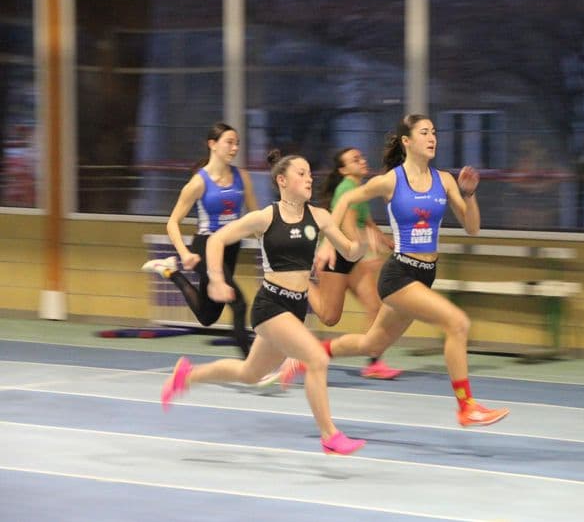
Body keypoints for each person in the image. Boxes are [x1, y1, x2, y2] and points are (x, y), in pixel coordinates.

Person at [283, 114, 509, 427]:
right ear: (407, 141)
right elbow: (347, 197)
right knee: (457, 323)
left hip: (425, 274)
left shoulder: (443, 180)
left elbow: (472, 228)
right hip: (400, 274)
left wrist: (469, 195)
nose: (432, 138)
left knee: (372, 345)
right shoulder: (392, 180)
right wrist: (327, 241)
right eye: (424, 132)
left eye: (434, 132)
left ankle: (311, 353)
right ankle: (466, 406)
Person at [160, 149, 368, 455]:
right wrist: (216, 279)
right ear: (282, 180)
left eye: (311, 173)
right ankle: (330, 435)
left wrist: (361, 243)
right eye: (301, 173)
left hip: (296, 307)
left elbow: (349, 253)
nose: (309, 178)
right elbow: (217, 240)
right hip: (271, 305)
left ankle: (187, 376)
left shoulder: (320, 217)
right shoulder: (265, 217)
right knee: (317, 359)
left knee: (250, 374)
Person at [141, 122, 257, 358]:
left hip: (231, 246)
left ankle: (170, 272)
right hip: (206, 246)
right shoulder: (198, 183)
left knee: (207, 316)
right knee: (239, 303)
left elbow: (256, 216)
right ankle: (252, 363)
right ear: (212, 145)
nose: (235, 148)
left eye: (237, 143)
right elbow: (172, 222)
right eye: (229, 142)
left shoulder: (242, 177)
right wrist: (185, 253)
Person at [308, 147, 401, 379]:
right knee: (329, 318)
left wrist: (384, 239)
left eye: (362, 157)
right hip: (335, 258)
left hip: (353, 259)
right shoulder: (346, 189)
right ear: (343, 169)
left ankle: (374, 362)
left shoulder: (359, 190)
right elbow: (347, 226)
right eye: (355, 159)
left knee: (375, 307)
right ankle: (301, 281)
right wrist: (366, 249)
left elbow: (366, 222)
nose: (362, 161)